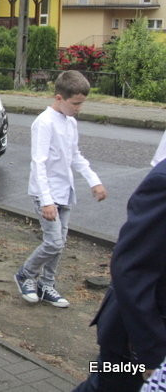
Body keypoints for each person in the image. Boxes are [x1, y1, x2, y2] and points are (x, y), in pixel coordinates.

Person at [14, 70, 107, 308]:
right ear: (59, 98)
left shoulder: (71, 122)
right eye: (75, 103)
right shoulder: (44, 123)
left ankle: (47, 284)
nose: (78, 108)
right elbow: (39, 162)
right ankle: (26, 274)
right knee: (53, 241)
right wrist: (46, 200)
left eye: (81, 104)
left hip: (65, 193)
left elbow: (75, 156)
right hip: (46, 193)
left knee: (60, 242)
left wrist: (93, 181)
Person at [73, 160, 166, 391]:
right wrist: (152, 356)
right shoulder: (164, 181)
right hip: (137, 341)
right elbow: (131, 269)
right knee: (105, 384)